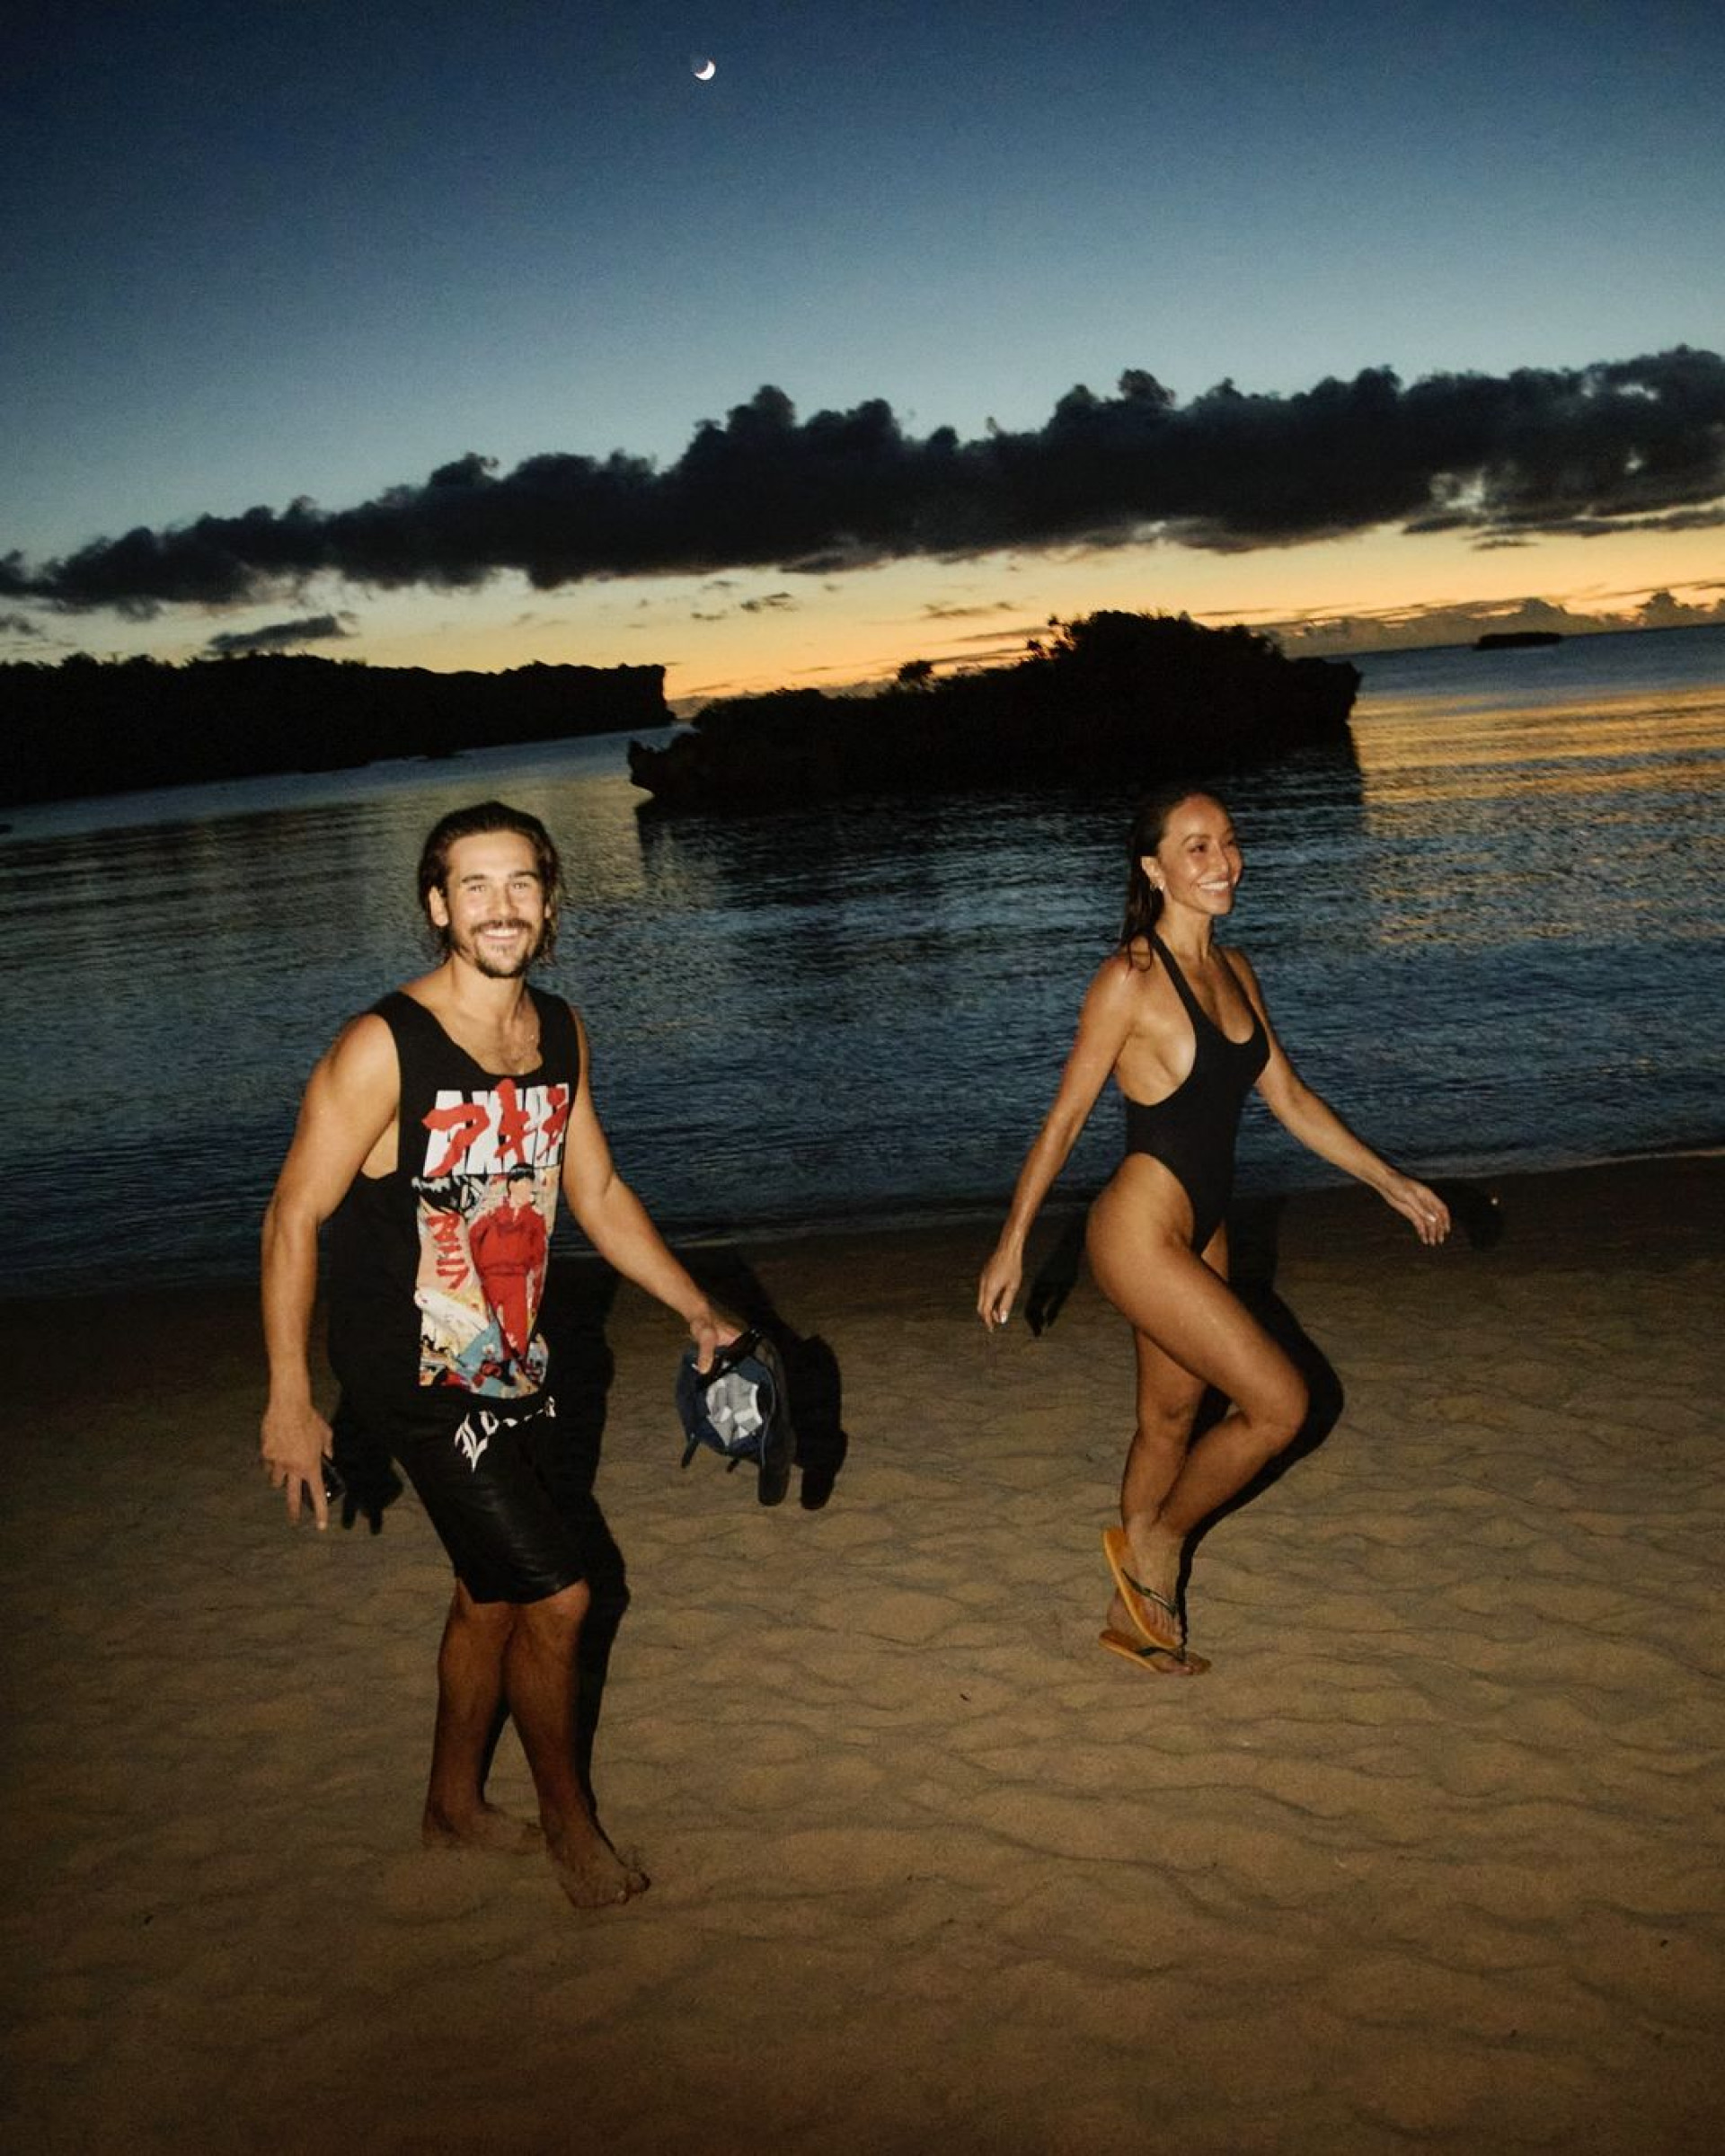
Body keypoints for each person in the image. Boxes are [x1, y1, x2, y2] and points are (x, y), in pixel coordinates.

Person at [260, 800, 737, 1907]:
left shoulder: (558, 1031)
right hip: (411, 1366)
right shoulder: (385, 1045)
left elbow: (599, 1192)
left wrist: (699, 1311)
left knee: (492, 1593)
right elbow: (292, 1216)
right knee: (561, 1596)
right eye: (473, 886)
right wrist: (291, 1396)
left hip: (513, 1352)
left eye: (520, 882)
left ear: (551, 899)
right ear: (437, 907)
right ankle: (574, 1833)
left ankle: (453, 1807)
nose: (500, 907)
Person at [977, 786, 1450, 1676]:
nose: (1222, 861)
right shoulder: (1128, 980)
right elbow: (1065, 1119)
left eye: (1227, 842)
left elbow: (1292, 1102)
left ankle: (1138, 1622)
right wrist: (1013, 1244)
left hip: (1208, 1226)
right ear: (1154, 869)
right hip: (1140, 1230)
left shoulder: (1237, 973)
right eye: (1196, 848)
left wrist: (1388, 1179)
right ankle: (1155, 1543)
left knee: (1170, 1418)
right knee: (1282, 1404)